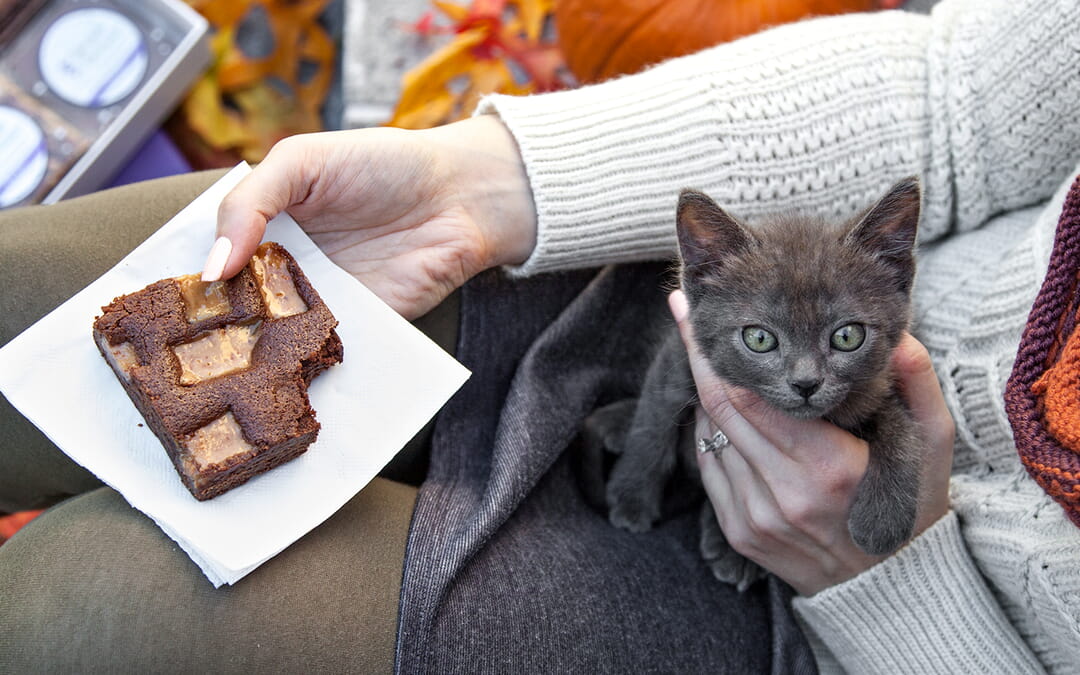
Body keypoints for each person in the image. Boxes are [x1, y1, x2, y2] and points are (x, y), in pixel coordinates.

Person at [2, 0, 1079, 670]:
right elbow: (962, 95)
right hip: (739, 284)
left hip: (833, 629)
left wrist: (885, 589)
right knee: (20, 292)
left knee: (71, 602)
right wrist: (475, 188)